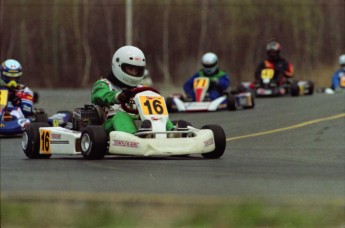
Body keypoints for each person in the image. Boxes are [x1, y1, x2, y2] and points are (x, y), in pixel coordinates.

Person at [91, 45, 178, 135]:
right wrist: (118, 96)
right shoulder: (104, 84)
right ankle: (134, 138)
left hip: (139, 122)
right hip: (111, 124)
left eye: (137, 70)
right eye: (130, 68)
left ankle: (172, 132)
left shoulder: (141, 88)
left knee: (158, 116)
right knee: (121, 116)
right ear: (118, 65)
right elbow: (99, 96)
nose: (134, 72)